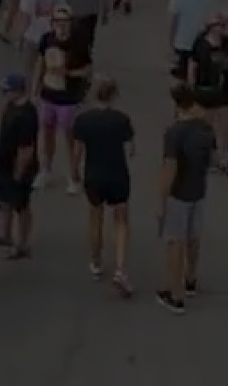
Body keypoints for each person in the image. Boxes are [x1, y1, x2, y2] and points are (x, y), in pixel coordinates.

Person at [72, 77, 136, 295]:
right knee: (121, 221)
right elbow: (131, 150)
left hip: (94, 175)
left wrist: (74, 173)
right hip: (118, 175)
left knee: (95, 217)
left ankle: (96, 261)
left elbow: (77, 152)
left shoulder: (83, 120)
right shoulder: (122, 120)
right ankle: (120, 268)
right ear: (114, 96)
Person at [156, 84, 217, 314]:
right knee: (193, 237)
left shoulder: (174, 133)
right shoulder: (206, 130)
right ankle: (190, 279)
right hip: (198, 191)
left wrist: (160, 202)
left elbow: (169, 169)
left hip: (178, 195)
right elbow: (211, 160)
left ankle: (175, 294)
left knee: (175, 242)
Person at [33, 6, 93, 192]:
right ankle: (46, 169)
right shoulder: (46, 40)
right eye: (58, 21)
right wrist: (35, 89)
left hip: (69, 98)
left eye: (65, 22)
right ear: (52, 24)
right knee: (47, 133)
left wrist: (69, 73)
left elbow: (88, 70)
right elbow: (40, 63)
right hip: (48, 96)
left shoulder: (79, 43)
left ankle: (73, 175)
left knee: (70, 138)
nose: (62, 26)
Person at [188, 13, 228, 179]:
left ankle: (224, 159)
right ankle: (206, 157)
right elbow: (193, 65)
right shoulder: (201, 44)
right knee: (206, 126)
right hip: (206, 92)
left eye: (225, 24)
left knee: (226, 128)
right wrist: (192, 87)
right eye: (220, 24)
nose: (224, 27)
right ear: (211, 27)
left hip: (225, 92)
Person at [0, 74, 39, 258]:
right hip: (5, 164)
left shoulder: (26, 116)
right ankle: (5, 234)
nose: (4, 94)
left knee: (21, 206)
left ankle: (21, 244)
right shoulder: (12, 106)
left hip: (18, 167)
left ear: (18, 91)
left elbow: (26, 149)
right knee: (5, 201)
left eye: (7, 90)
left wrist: (19, 173)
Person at [169, 0, 218, 80]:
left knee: (200, 64)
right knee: (187, 65)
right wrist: (172, 38)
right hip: (184, 38)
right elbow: (174, 18)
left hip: (200, 37)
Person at [17, 0, 67, 77]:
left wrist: (20, 38)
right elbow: (62, 13)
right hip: (51, 35)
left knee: (29, 69)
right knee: (49, 70)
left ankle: (30, 92)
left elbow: (26, 19)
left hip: (32, 36)